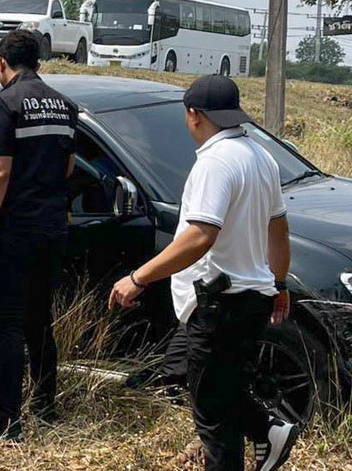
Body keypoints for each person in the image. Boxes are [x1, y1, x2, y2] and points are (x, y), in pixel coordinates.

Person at [108, 75, 297, 471]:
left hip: (220, 304)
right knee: (195, 378)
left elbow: (200, 236)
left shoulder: (215, 162)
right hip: (247, 299)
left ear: (194, 114)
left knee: (214, 415)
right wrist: (279, 282)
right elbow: (278, 228)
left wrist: (139, 278)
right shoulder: (260, 155)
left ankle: (264, 429)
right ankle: (266, 429)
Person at [0, 29, 78, 441]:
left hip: (15, 229)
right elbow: (69, 167)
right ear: (38, 63)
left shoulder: (5, 104)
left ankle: (6, 421)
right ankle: (45, 405)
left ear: (2, 63)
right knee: (40, 320)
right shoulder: (65, 105)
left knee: (9, 325)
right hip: (53, 227)